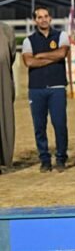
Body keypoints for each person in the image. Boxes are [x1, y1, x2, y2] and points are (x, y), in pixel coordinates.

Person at [21, 6, 70, 172]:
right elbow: (29, 62)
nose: (43, 19)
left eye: (46, 16)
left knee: (60, 124)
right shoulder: (28, 41)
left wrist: (40, 55)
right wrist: (52, 56)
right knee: (39, 126)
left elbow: (62, 53)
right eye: (39, 17)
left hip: (57, 87)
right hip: (36, 88)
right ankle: (45, 159)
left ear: (50, 18)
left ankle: (61, 158)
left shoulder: (61, 35)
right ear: (35, 20)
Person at [0, 21, 16, 173]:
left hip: (2, 81)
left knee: (4, 118)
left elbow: (11, 56)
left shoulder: (6, 30)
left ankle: (4, 159)